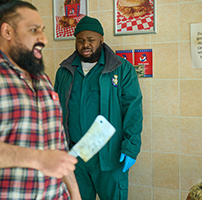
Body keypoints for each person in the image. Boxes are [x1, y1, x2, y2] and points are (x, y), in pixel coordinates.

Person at [0, 0, 81, 199]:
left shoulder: (42, 80)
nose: (43, 39)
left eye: (42, 30)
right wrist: (39, 159)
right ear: (7, 32)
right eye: (34, 30)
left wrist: (75, 194)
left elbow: (58, 149)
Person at [54, 16, 143, 200]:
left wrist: (131, 147)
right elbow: (55, 112)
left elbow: (133, 110)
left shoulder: (121, 69)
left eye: (90, 40)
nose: (85, 44)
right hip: (75, 157)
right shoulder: (64, 71)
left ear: (101, 40)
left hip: (110, 156)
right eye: (80, 40)